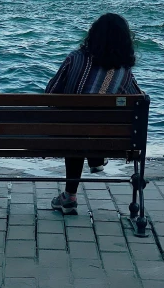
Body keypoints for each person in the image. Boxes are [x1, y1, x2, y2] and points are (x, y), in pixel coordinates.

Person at [45, 12, 140, 215]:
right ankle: (96, 157)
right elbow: (136, 104)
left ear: (93, 34)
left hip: (67, 136)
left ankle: (70, 196)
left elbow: (50, 93)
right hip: (104, 139)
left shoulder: (75, 58)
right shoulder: (124, 72)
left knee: (75, 127)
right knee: (90, 126)